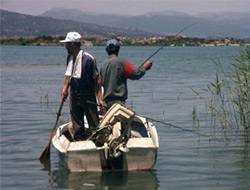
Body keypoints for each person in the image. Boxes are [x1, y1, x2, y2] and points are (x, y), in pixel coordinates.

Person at [60, 32, 106, 141]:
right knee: (77, 122)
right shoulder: (69, 58)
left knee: (93, 122)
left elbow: (97, 80)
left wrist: (99, 99)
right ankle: (79, 140)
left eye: (66, 44)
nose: (65, 46)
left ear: (72, 44)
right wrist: (65, 88)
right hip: (74, 93)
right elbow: (69, 74)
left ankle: (96, 141)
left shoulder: (88, 59)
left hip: (88, 94)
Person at [100, 39, 153, 108]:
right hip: (117, 103)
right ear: (118, 49)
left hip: (106, 102)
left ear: (106, 50)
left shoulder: (103, 65)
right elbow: (135, 73)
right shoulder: (120, 62)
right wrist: (144, 67)